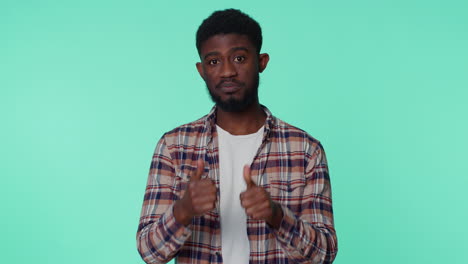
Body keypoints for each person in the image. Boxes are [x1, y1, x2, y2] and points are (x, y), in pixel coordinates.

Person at [137, 8, 337, 264]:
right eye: (213, 61)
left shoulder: (306, 150)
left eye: (239, 58)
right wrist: (183, 210)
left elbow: (325, 254)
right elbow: (149, 253)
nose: (227, 71)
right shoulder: (173, 148)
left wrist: (278, 216)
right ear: (201, 70)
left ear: (261, 61)